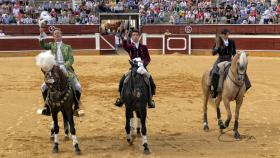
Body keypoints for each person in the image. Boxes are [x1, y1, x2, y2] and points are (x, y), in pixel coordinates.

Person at [37, 27, 84, 116]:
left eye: (59, 33)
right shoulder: (51, 45)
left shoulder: (68, 47)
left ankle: (77, 107)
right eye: (55, 34)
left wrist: (64, 66)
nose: (57, 35)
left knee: (78, 86)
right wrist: (41, 34)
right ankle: (46, 107)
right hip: (53, 70)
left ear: (61, 35)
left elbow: (71, 59)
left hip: (66, 69)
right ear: (53, 36)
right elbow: (42, 45)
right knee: (43, 87)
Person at [114, 29, 156, 108]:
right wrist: (125, 38)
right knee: (123, 80)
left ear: (139, 36)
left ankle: (150, 101)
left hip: (143, 68)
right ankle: (121, 99)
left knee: (150, 81)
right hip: (133, 68)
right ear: (132, 37)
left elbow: (148, 58)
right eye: (133, 35)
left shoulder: (144, 47)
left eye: (136, 35)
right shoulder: (130, 46)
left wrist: (143, 63)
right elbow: (125, 46)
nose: (135, 36)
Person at [210, 29, 251, 98]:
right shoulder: (218, 42)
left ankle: (246, 86)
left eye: (228, 34)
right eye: (226, 34)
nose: (227, 36)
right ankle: (215, 91)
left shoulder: (232, 41)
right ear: (223, 35)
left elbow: (234, 52)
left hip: (230, 60)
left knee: (241, 70)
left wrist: (236, 59)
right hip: (220, 60)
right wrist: (217, 47)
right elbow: (213, 53)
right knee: (214, 72)